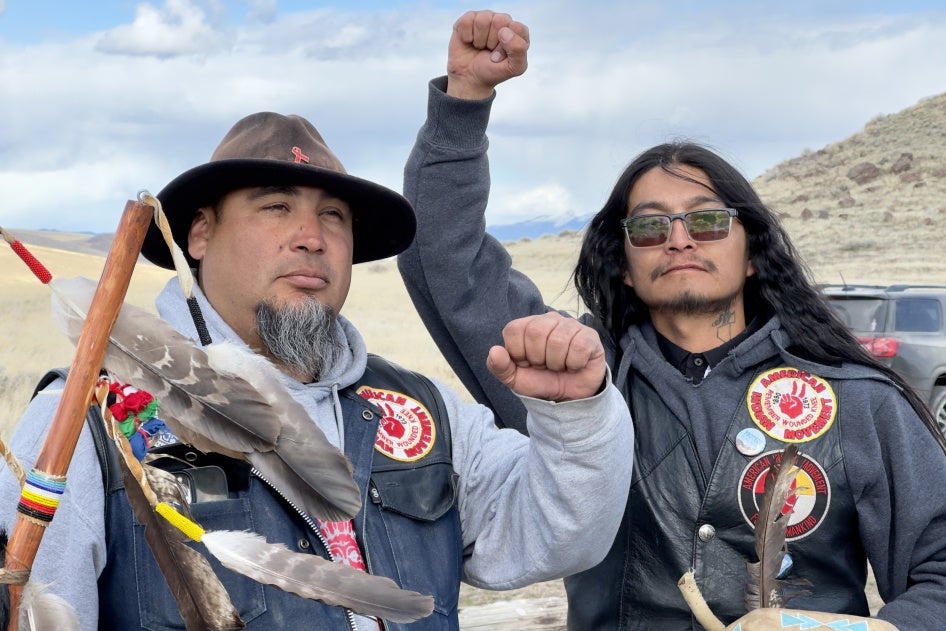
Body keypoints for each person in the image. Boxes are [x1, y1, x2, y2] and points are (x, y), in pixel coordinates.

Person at [396, 9, 946, 630]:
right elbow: (445, 263)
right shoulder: (570, 385)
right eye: (651, 225)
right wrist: (465, 102)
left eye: (708, 220)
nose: (680, 239)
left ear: (752, 256)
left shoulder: (858, 400)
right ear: (625, 264)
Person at [0, 110, 635, 630]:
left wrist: (576, 416)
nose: (312, 236)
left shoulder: (420, 410)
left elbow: (557, 535)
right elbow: (37, 611)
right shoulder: (88, 419)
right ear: (197, 233)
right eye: (276, 207)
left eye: (334, 215)